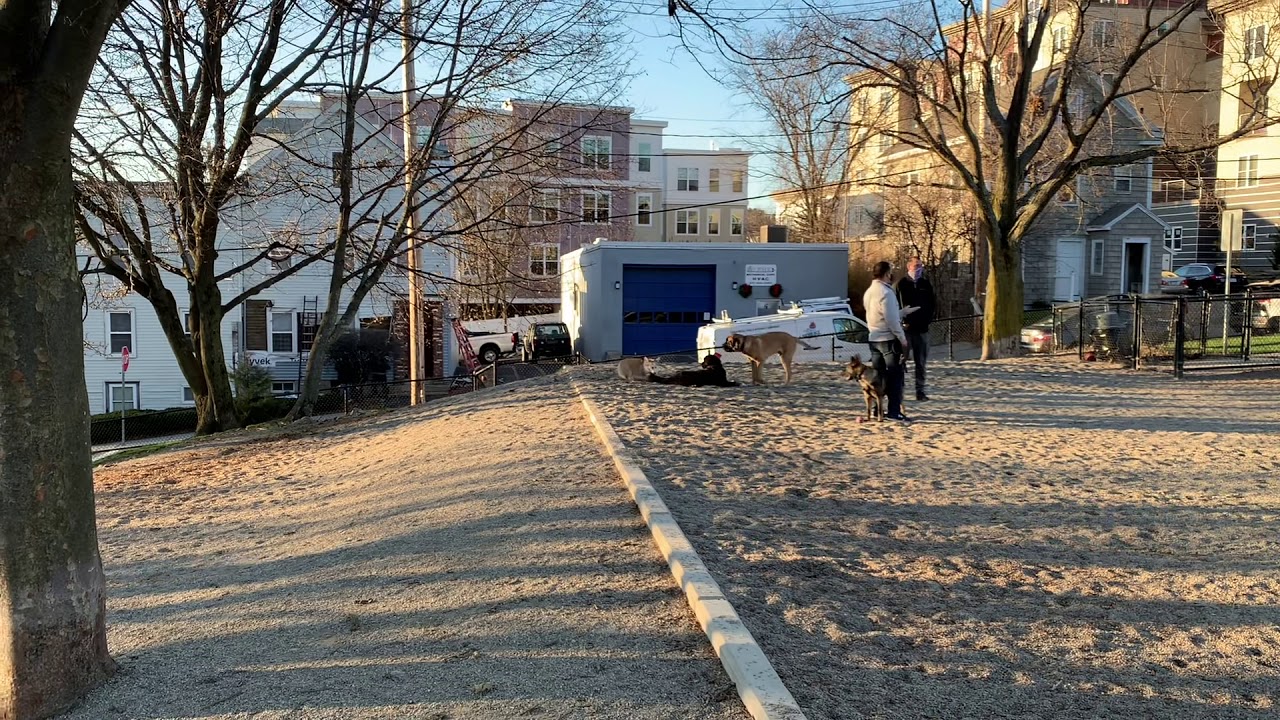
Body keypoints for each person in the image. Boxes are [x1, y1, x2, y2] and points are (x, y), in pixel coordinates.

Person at [861, 260, 909, 421]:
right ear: (887, 273)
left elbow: (877, 314)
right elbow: (891, 320)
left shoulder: (869, 292)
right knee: (895, 376)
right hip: (887, 339)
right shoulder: (886, 293)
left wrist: (901, 312)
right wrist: (902, 338)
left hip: (873, 337)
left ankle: (877, 410)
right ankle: (894, 411)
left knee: (877, 377)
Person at [895, 255, 936, 401]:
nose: (918, 269)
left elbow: (932, 304)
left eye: (920, 266)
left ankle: (920, 391)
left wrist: (928, 319)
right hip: (906, 329)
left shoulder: (925, 284)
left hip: (922, 329)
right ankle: (898, 391)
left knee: (921, 362)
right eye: (916, 266)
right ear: (909, 267)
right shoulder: (901, 284)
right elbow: (896, 306)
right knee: (901, 361)